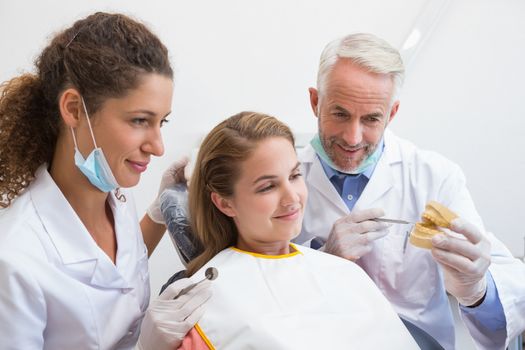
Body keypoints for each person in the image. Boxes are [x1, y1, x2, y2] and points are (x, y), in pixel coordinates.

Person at [295, 33, 525, 349]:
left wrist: (477, 290)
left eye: (372, 118)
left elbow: (512, 282)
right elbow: (255, 288)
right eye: (340, 113)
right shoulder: (282, 178)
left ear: (391, 113)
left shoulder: (435, 176)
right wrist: (321, 262)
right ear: (315, 102)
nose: (353, 137)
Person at [0, 12, 210, 349]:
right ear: (74, 109)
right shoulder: (15, 261)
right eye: (140, 120)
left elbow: (113, 273)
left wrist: (158, 213)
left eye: (162, 123)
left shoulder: (115, 198)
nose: (157, 147)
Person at [174, 111, 419, 349]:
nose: (292, 198)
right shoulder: (203, 303)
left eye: (294, 175)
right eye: (268, 187)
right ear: (225, 203)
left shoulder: (344, 272)